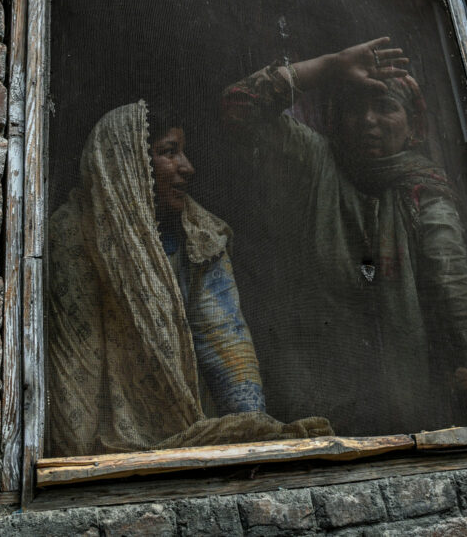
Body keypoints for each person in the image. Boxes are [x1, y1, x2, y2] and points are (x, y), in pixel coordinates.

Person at [221, 38, 467, 435]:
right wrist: (328, 64)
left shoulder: (423, 190)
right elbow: (239, 105)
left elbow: (451, 284)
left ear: (413, 126)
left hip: (404, 393)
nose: (368, 121)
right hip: (317, 387)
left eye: (385, 107)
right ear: (336, 120)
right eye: (354, 109)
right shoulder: (315, 160)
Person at [45, 101, 330, 457]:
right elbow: (75, 362)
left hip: (189, 425)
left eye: (183, 151)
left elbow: (223, 336)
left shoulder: (198, 233)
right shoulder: (73, 232)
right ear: (128, 162)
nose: (187, 167)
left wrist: (251, 429)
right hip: (104, 440)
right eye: (169, 152)